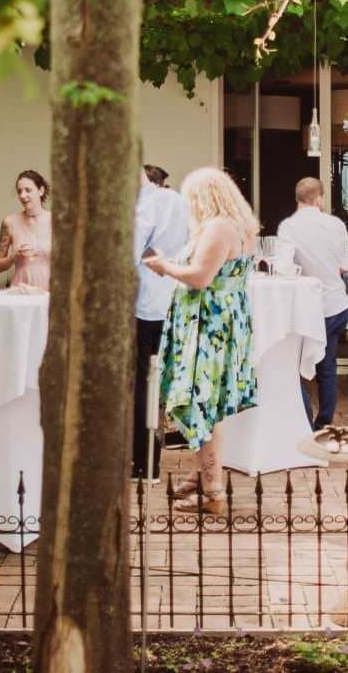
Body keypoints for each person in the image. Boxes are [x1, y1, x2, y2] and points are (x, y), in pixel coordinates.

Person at [143, 168, 260, 517]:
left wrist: (164, 267)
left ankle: (212, 492)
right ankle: (202, 474)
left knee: (199, 403)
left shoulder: (217, 228)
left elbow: (200, 277)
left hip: (206, 328)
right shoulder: (240, 227)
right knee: (208, 404)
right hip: (222, 323)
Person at [132, 162, 193, 477]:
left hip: (146, 302)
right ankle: (181, 438)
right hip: (175, 296)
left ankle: (144, 461)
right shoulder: (180, 201)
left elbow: (131, 254)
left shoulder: (144, 205)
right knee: (171, 374)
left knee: (144, 380)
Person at [278, 177, 348, 427]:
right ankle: (323, 423)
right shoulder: (337, 225)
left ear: (297, 198)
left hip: (303, 308)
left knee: (292, 365)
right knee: (327, 367)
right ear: (319, 198)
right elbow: (344, 267)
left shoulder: (289, 227)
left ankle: (303, 420)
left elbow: (284, 268)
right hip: (335, 305)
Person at [0, 169, 53, 290]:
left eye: (28, 190)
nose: (22, 195)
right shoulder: (9, 222)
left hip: (49, 292)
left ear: (41, 191)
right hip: (20, 292)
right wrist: (14, 257)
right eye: (19, 191)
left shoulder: (55, 221)